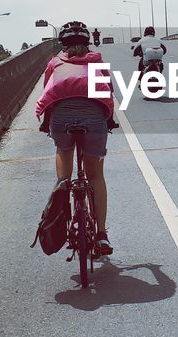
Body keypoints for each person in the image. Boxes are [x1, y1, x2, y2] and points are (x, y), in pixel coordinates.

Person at [35, 20, 117, 256]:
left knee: (63, 152)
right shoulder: (96, 62)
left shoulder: (54, 63)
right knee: (95, 176)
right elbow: (106, 92)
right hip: (93, 118)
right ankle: (101, 235)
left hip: (61, 118)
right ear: (87, 42)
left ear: (63, 44)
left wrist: (47, 123)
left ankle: (62, 183)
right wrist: (108, 118)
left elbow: (47, 94)